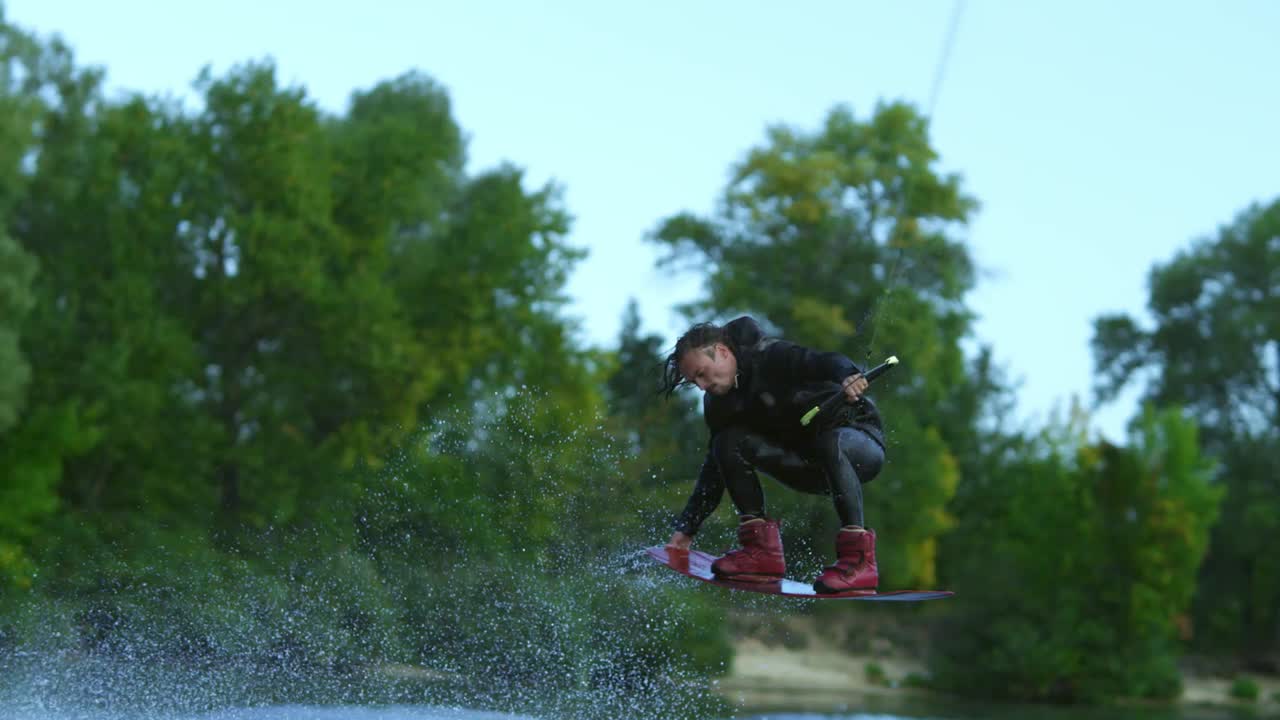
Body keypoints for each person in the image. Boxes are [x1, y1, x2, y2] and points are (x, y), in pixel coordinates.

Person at [661, 316, 886, 593]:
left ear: (722, 352)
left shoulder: (770, 356)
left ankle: (859, 563)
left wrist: (848, 375)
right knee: (726, 443)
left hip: (858, 446)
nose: (702, 386)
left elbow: (822, 360)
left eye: (702, 373)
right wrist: (687, 528)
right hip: (806, 466)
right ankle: (761, 554)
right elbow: (715, 470)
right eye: (694, 381)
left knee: (830, 442)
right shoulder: (719, 404)